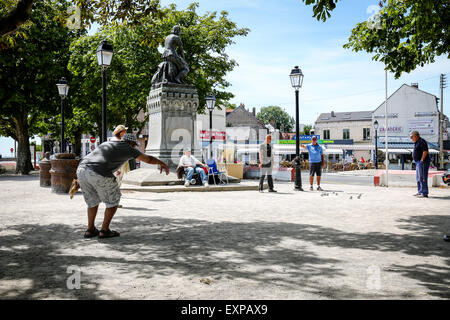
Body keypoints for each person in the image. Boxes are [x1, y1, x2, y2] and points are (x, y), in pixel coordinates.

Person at [77, 133, 169, 239]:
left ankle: (90, 230)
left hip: (82, 169)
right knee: (113, 200)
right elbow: (148, 159)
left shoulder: (108, 143)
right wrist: (162, 163)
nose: (135, 147)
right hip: (98, 171)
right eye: (134, 145)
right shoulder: (128, 148)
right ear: (131, 143)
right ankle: (104, 230)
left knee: (92, 201)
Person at [410, 130, 430, 198]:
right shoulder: (416, 142)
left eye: (412, 137)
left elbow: (425, 151)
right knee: (418, 178)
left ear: (416, 136)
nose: (411, 138)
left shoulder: (421, 141)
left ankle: (424, 193)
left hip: (422, 162)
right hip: (418, 162)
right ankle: (420, 191)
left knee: (423, 177)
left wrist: (422, 160)